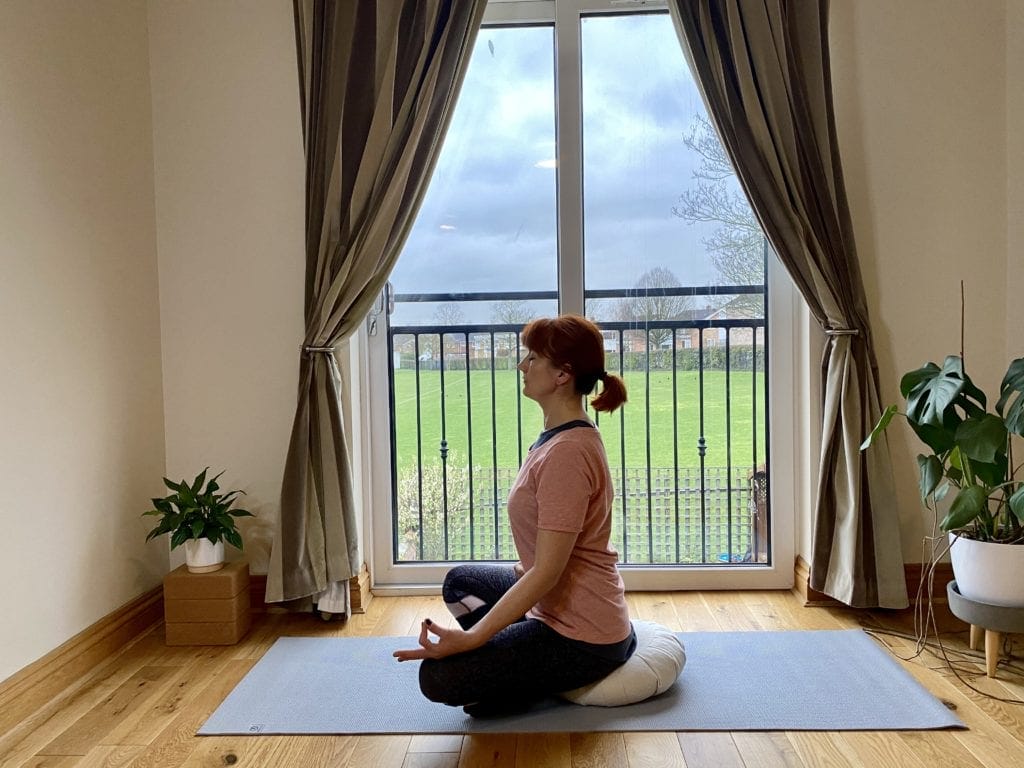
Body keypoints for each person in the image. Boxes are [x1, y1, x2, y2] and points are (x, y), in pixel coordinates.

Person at [394, 314, 635, 717]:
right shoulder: (558, 437)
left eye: (533, 358)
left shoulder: (567, 454)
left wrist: (473, 642)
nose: (522, 366)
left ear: (562, 374)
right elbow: (546, 562)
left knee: (436, 679)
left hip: (583, 638)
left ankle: (513, 670)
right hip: (556, 604)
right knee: (461, 582)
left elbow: (548, 573)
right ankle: (510, 662)